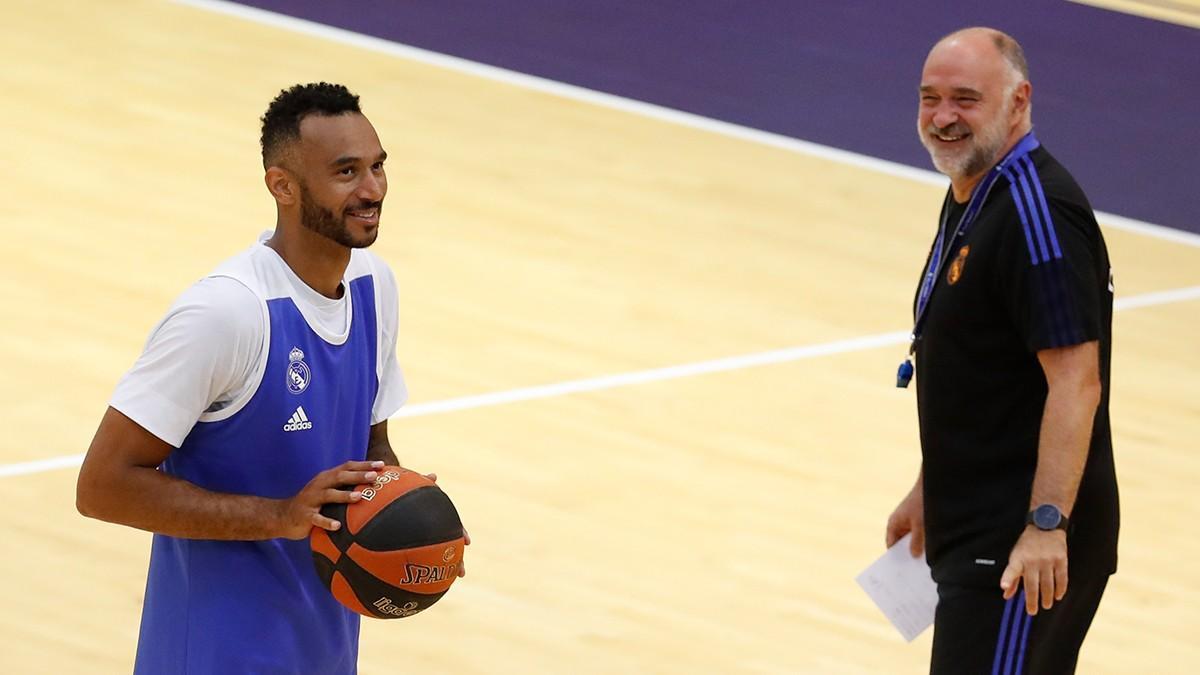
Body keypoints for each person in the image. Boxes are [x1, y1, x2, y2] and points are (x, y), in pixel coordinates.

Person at [76, 82, 464, 674]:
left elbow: (369, 449)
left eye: (378, 167)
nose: (372, 190)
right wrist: (280, 516)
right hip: (214, 653)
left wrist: (415, 524)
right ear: (282, 186)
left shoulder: (374, 287)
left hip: (325, 647)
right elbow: (102, 486)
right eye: (346, 172)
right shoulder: (227, 313)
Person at [885, 28, 1118, 674]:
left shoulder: (1037, 215)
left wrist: (1047, 525)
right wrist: (932, 483)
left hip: (1022, 549)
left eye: (965, 98)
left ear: (1019, 101)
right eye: (929, 98)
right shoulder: (973, 190)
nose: (942, 117)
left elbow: (1077, 382)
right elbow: (984, 373)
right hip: (977, 528)